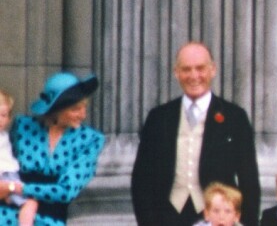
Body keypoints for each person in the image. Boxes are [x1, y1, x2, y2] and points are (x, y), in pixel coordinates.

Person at [131, 41, 261, 226]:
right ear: (176, 73)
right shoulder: (158, 117)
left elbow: (249, 179)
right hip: (166, 216)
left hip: (217, 218)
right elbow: (141, 179)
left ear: (212, 70)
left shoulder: (235, 117)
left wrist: (248, 223)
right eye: (186, 69)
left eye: (200, 68)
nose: (194, 76)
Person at [0, 72, 105, 225]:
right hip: (7, 210)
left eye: (84, 108)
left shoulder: (89, 139)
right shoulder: (23, 126)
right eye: (75, 109)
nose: (83, 115)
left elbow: (66, 191)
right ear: (57, 109)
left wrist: (14, 187)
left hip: (49, 218)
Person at [0, 89, 38, 226]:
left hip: (11, 175)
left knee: (31, 202)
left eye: (3, 115)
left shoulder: (5, 135)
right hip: (4, 176)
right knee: (29, 201)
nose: (0, 120)